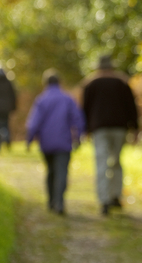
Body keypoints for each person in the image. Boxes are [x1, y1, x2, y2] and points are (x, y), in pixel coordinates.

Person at [82, 55, 139, 216]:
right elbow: (131, 107)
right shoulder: (122, 83)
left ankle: (104, 199)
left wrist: (85, 129)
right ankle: (115, 195)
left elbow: (85, 109)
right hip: (119, 128)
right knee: (116, 162)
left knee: (102, 162)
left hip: (99, 128)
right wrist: (135, 128)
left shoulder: (90, 84)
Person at [26, 69, 85, 215]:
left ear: (45, 83)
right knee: (62, 173)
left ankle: (51, 201)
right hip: (64, 142)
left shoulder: (41, 100)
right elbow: (78, 119)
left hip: (46, 143)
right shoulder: (67, 99)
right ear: (60, 82)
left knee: (51, 171)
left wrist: (29, 139)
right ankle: (59, 202)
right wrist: (78, 136)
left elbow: (34, 123)